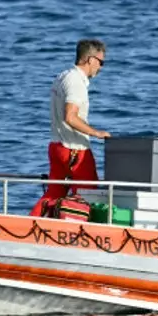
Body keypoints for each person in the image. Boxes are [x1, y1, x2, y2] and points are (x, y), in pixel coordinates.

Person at [29, 39, 111, 217]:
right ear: (90, 60)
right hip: (75, 149)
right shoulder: (76, 82)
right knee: (87, 196)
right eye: (101, 62)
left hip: (57, 147)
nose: (101, 67)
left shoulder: (63, 76)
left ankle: (29, 226)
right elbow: (70, 116)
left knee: (52, 195)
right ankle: (80, 235)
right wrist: (96, 133)